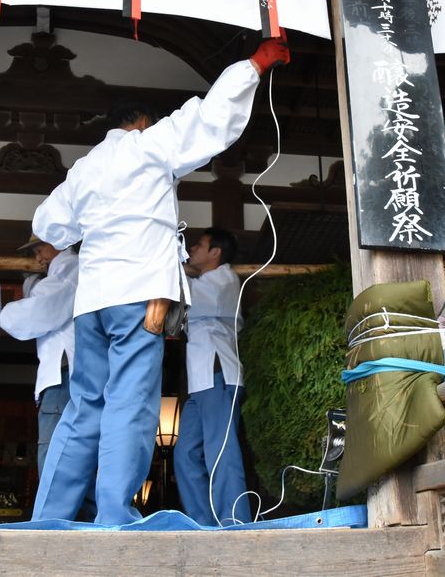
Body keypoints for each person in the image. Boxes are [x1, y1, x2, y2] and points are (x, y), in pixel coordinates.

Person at [28, 35, 290, 525]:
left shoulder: (83, 170)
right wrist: (256, 64)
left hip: (92, 303)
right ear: (141, 123)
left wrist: (86, 224)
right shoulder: (149, 147)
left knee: (85, 404)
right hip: (139, 297)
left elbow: (47, 225)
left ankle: (49, 514)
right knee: (129, 401)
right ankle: (112, 515)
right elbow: (212, 119)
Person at [0, 235, 79, 475]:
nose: (37, 258)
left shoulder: (70, 268)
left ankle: (52, 512)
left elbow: (43, 308)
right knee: (76, 452)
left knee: (55, 451)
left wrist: (2, 317)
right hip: (71, 372)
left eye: (40, 249)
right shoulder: (68, 272)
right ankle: (78, 512)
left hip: (63, 373)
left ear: (59, 241)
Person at [174, 227, 249, 526]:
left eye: (198, 245)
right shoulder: (204, 280)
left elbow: (193, 301)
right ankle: (204, 522)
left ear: (215, 252)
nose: (192, 249)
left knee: (221, 451)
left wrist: (169, 269)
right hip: (200, 381)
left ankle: (234, 521)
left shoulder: (224, 279)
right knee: (185, 455)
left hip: (218, 374)